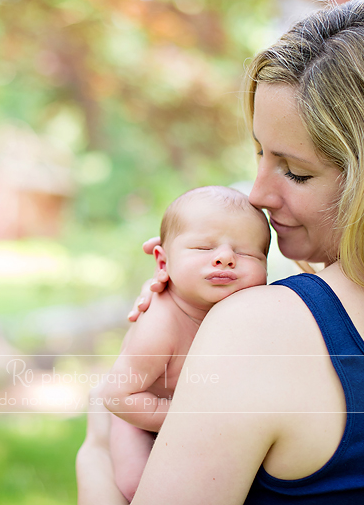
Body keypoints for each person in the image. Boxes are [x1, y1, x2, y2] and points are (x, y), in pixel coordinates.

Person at [76, 0, 364, 505]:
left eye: (296, 171)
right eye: (259, 152)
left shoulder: (264, 329)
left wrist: (98, 443)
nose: (258, 194)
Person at [103, 186, 270, 501]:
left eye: (247, 253)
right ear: (163, 263)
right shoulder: (160, 325)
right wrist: (186, 417)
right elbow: (117, 396)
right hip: (139, 413)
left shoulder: (255, 309)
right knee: (135, 483)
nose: (225, 257)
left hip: (200, 413)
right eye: (204, 248)